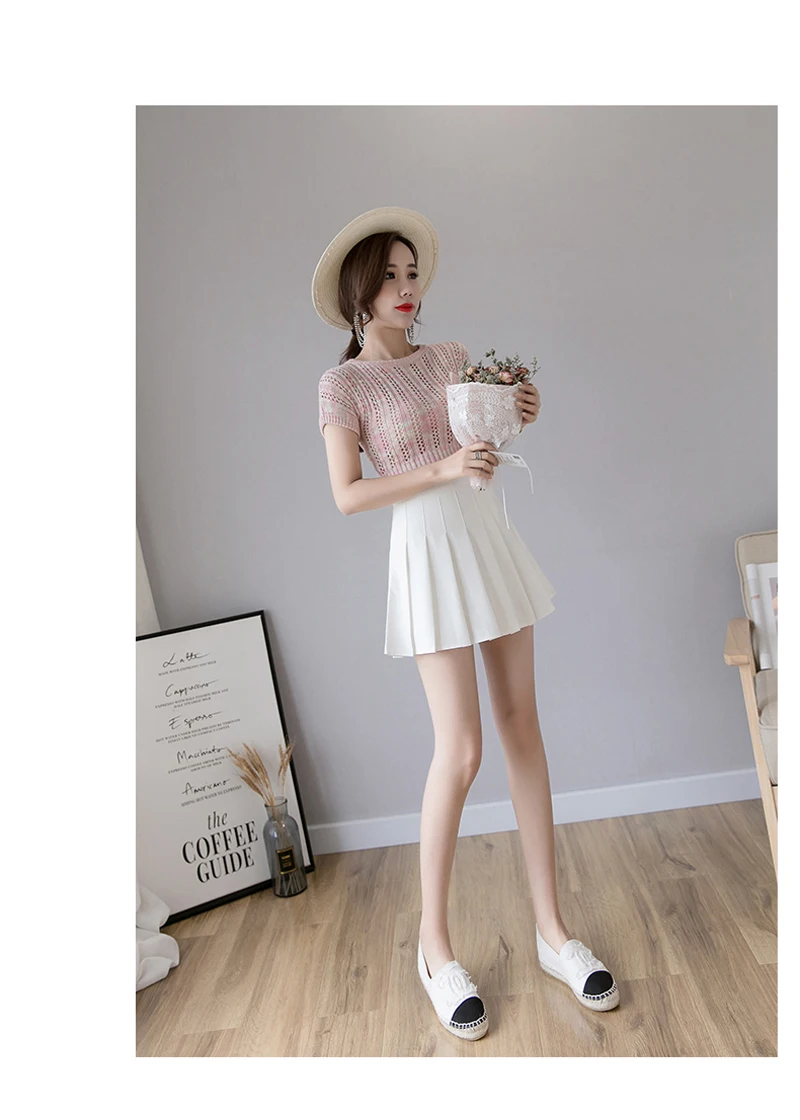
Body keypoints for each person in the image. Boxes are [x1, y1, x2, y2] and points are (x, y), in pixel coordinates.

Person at [313, 207, 618, 1039]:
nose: (406, 288)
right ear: (359, 291)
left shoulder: (449, 357)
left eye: (412, 273)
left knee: (523, 726)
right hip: (425, 552)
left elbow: (484, 447)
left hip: (485, 534)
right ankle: (434, 947)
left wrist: (519, 410)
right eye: (389, 276)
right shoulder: (343, 386)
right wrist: (441, 466)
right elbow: (347, 495)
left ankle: (552, 932)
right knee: (463, 749)